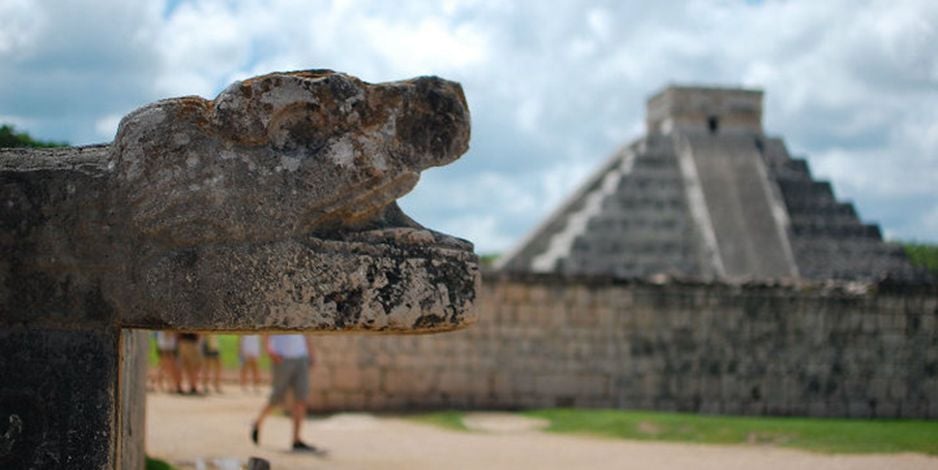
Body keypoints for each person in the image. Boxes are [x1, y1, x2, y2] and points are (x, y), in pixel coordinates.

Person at [250, 334, 318, 452]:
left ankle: (296, 440)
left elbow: (306, 332)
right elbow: (266, 329)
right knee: (276, 398)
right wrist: (269, 350)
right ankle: (258, 422)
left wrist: (311, 353)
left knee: (302, 399)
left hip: (301, 356)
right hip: (282, 357)